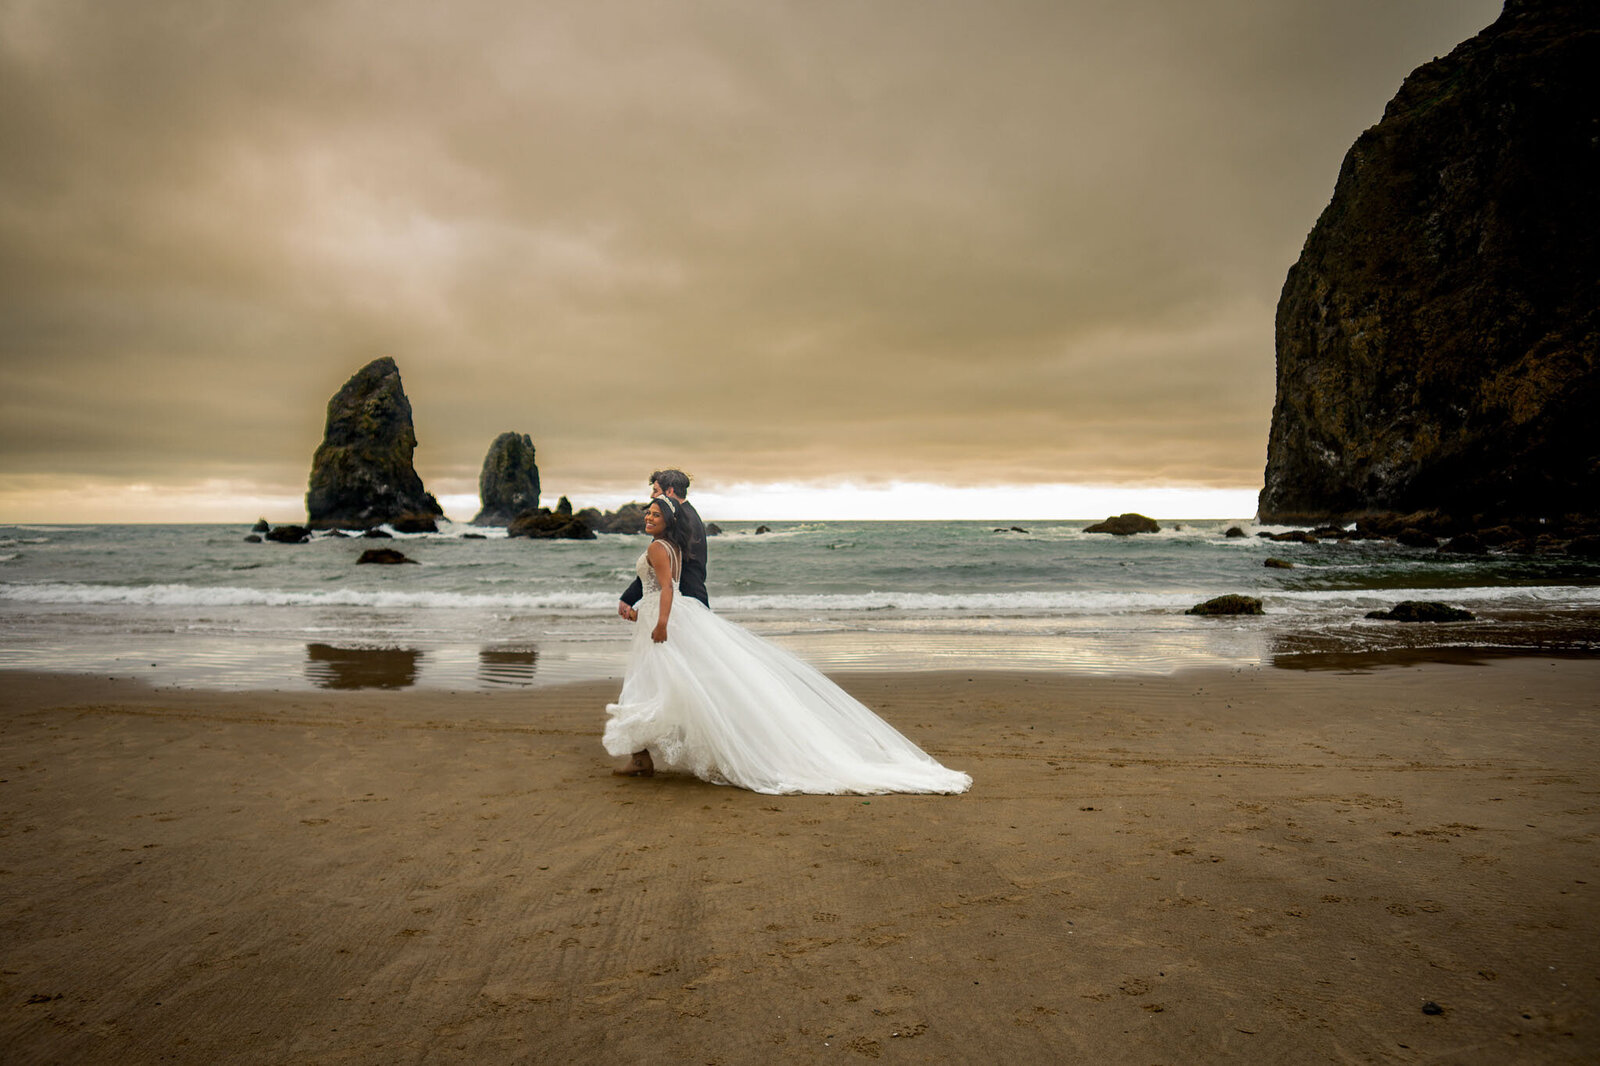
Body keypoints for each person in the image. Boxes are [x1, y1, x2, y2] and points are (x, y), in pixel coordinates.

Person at [604, 497, 971, 795]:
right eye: (647, 513)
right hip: (661, 615)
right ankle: (648, 756)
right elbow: (662, 587)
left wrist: (662, 622)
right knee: (672, 684)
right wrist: (645, 613)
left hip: (665, 617)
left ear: (667, 520)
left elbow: (667, 588)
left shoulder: (657, 547)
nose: (648, 518)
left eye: (654, 514)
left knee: (656, 684)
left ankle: (652, 757)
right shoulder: (672, 545)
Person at [618, 469, 707, 620]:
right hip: (689, 600)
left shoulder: (679, 522)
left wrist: (628, 599)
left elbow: (658, 567)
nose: (652, 495)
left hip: (685, 605)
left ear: (670, 491)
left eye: (655, 490)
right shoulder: (686, 516)